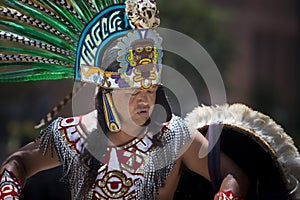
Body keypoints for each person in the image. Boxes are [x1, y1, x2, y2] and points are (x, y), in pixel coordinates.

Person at [0, 0, 250, 199]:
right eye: (134, 94)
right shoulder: (73, 135)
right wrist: (9, 189)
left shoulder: (176, 137)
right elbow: (18, 163)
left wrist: (227, 195)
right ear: (108, 93)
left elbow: (233, 174)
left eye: (151, 92)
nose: (145, 101)